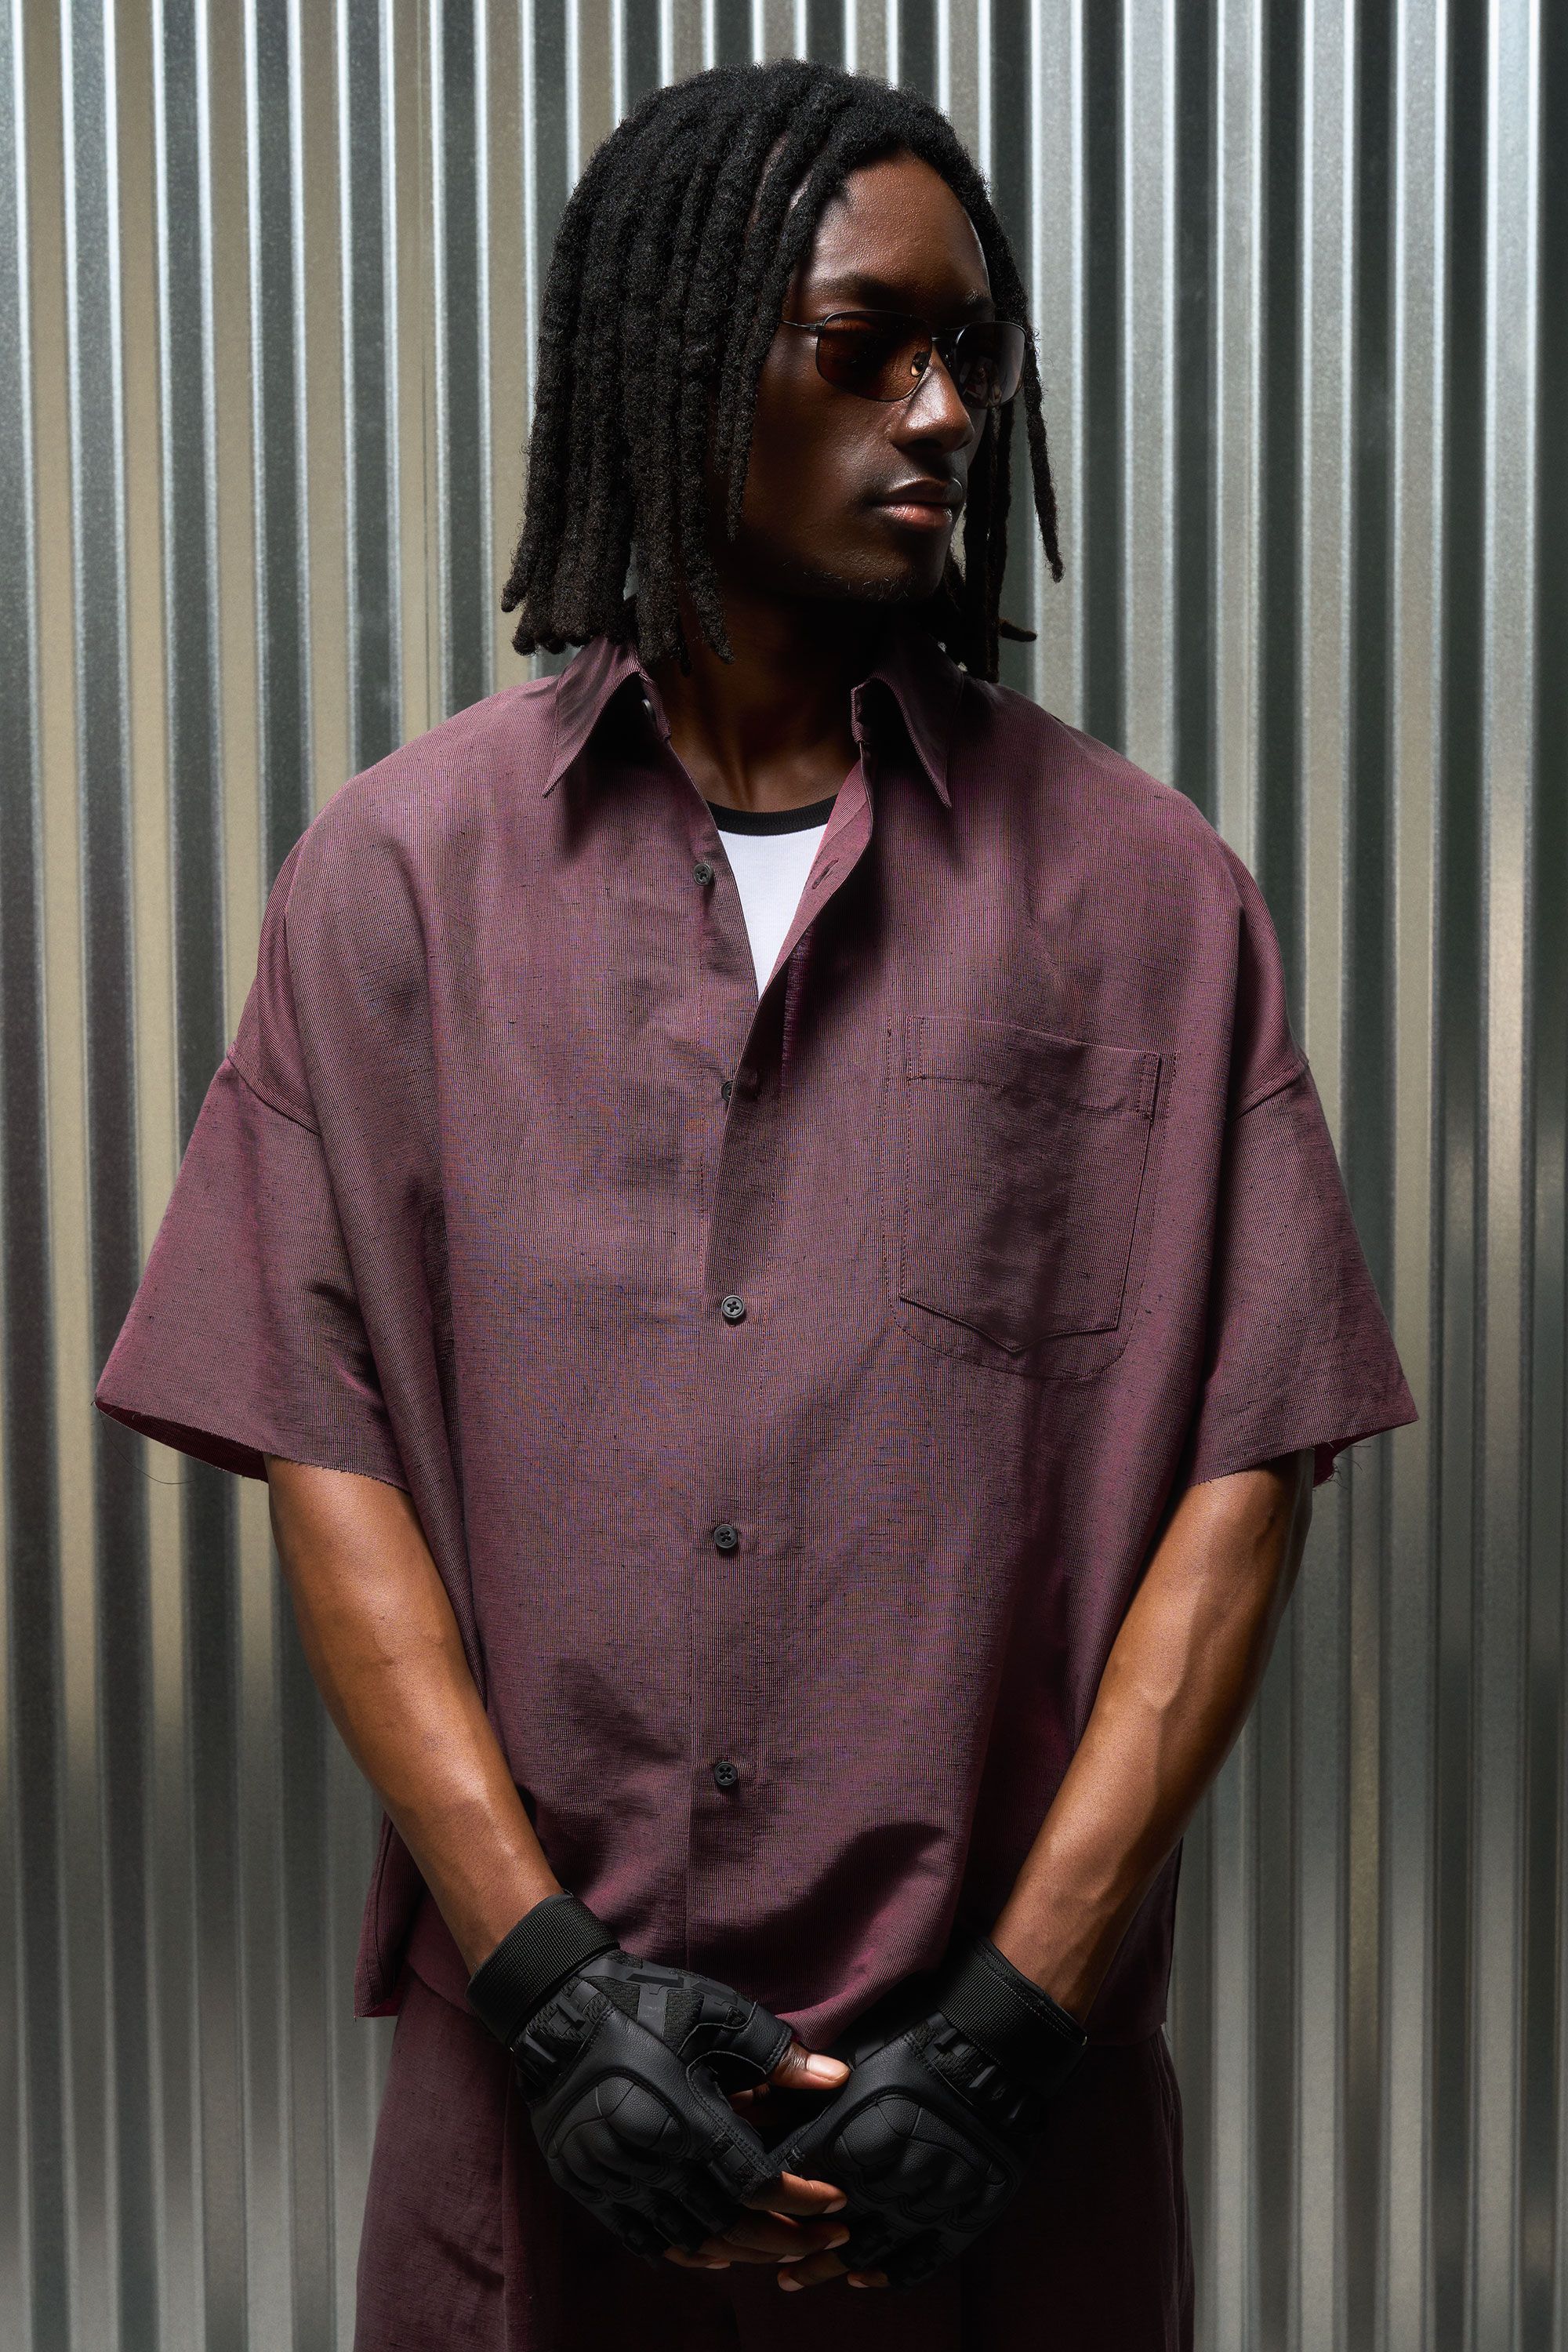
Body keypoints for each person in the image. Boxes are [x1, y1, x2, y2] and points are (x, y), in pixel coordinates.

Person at [96, 56, 1416, 2352]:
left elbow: (1244, 1475)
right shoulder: (399, 879)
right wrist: (545, 1992)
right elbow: (331, 1448)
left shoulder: (1147, 898)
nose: (945, 415)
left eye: (971, 355)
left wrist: (1013, 2028)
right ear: (688, 353)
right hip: (541, 2123)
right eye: (866, 346)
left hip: (995, 2131)